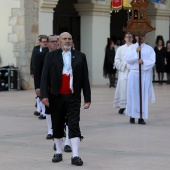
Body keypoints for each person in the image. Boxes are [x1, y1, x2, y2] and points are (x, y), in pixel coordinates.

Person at [40, 32, 91, 166]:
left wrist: (87, 98)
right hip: (56, 97)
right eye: (64, 39)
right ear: (59, 42)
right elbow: (44, 77)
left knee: (74, 124)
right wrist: (44, 95)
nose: (67, 41)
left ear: (72, 41)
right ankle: (58, 152)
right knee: (57, 124)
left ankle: (75, 155)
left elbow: (85, 78)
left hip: (73, 97)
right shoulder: (50, 56)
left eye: (69, 38)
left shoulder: (80, 56)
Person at [124, 35, 155, 125]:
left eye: (143, 36)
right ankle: (132, 116)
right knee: (132, 95)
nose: (141, 37)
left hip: (144, 74)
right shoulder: (131, 48)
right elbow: (128, 59)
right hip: (134, 74)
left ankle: (141, 117)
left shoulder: (149, 49)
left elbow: (153, 61)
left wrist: (144, 62)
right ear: (136, 37)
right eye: (139, 36)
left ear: (145, 37)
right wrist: (135, 51)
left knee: (143, 96)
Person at [114, 33, 133, 114]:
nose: (128, 38)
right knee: (123, 89)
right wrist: (125, 64)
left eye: (130, 37)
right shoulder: (120, 49)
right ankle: (123, 106)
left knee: (132, 90)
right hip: (124, 72)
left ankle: (131, 106)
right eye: (127, 37)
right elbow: (117, 61)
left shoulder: (135, 48)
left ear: (132, 38)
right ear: (124, 38)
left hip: (132, 72)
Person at [30, 35, 48, 116]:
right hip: (37, 73)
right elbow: (32, 60)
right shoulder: (36, 49)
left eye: (46, 42)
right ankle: (39, 109)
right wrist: (32, 71)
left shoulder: (48, 51)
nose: (45, 43)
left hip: (43, 74)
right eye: (43, 42)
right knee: (37, 91)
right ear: (40, 42)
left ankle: (43, 111)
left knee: (43, 92)